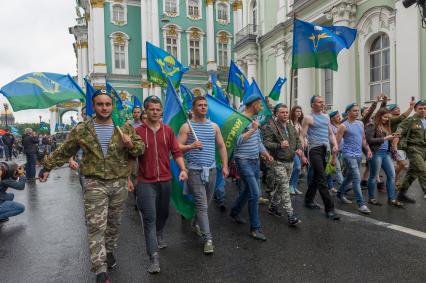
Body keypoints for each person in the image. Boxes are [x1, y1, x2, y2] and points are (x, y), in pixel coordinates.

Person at [39, 89, 144, 283]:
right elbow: (65, 150)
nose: (104, 108)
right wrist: (47, 166)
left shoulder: (124, 127)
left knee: (113, 224)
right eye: (100, 104)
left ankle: (109, 250)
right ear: (93, 106)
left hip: (119, 182)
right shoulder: (82, 129)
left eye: (107, 104)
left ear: (112, 106)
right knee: (96, 226)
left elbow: (140, 148)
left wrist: (131, 145)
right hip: (94, 183)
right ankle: (100, 269)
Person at [135, 96, 187, 274]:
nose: (155, 112)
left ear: (161, 112)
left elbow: (176, 151)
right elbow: (130, 157)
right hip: (145, 182)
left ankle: (159, 232)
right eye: (151, 109)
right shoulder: (138, 132)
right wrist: (128, 178)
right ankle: (154, 258)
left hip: (165, 179)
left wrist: (182, 168)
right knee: (149, 219)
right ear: (146, 111)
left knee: (163, 214)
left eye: (158, 109)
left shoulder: (168, 131)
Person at [178, 96, 229, 254]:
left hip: (212, 170)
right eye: (199, 105)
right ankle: (208, 239)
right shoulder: (186, 127)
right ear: (193, 109)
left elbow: (221, 146)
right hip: (194, 171)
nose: (203, 107)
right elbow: (177, 148)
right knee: (201, 204)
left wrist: (225, 166)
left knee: (205, 204)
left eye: (205, 105)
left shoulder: (214, 126)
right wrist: (191, 146)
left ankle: (195, 223)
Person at [229, 91, 273, 241]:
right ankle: (255, 228)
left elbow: (257, 141)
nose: (262, 106)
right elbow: (237, 142)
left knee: (248, 191)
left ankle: (235, 211)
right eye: (260, 104)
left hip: (255, 160)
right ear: (254, 104)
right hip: (243, 160)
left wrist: (266, 154)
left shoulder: (254, 119)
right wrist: (253, 129)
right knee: (256, 192)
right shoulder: (239, 119)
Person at [301, 95, 339, 220]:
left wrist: (335, 144)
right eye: (319, 102)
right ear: (312, 104)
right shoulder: (308, 118)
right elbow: (302, 135)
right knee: (322, 177)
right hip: (314, 150)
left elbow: (330, 133)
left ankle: (308, 200)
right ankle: (330, 209)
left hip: (325, 149)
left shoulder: (326, 117)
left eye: (323, 102)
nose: (322, 104)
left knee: (318, 177)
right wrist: (304, 143)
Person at [263, 104, 302, 225]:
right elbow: (266, 143)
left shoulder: (290, 126)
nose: (285, 114)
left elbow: (297, 141)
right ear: (276, 114)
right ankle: (290, 215)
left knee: (281, 188)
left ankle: (273, 206)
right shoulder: (271, 127)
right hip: (277, 162)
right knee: (285, 187)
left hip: (290, 161)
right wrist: (279, 145)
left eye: (286, 112)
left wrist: (299, 149)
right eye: (282, 112)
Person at [335, 103, 372, 214]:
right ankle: (361, 204)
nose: (357, 112)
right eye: (354, 111)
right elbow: (336, 143)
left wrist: (368, 150)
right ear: (348, 112)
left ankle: (339, 193)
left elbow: (364, 139)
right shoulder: (343, 126)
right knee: (357, 178)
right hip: (348, 155)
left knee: (349, 178)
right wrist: (333, 157)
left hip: (359, 155)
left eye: (357, 110)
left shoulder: (360, 124)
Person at [365, 108, 403, 207]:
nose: (387, 119)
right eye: (385, 117)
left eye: (388, 117)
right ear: (379, 116)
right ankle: (371, 198)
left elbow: (387, 139)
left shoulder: (386, 126)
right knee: (373, 176)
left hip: (386, 154)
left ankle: (392, 199)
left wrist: (393, 136)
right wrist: (385, 138)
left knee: (392, 175)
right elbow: (369, 140)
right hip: (376, 153)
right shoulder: (371, 125)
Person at [395, 99, 426, 203]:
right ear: (416, 109)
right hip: (413, 148)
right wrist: (395, 144)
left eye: (425, 108)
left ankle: (401, 194)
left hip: (424, 149)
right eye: (420, 108)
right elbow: (399, 128)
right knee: (422, 169)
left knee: (413, 172)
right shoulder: (411, 120)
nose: (423, 110)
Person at [387, 100, 416, 186]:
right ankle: (392, 178)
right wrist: (411, 107)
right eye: (395, 108)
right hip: (395, 144)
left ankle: (396, 181)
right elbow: (401, 118)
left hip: (403, 144)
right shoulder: (390, 119)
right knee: (403, 163)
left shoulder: (401, 119)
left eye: (398, 108)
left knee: (400, 164)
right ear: (390, 111)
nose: (398, 109)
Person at [289, 105, 305, 195]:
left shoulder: (300, 123)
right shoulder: (289, 122)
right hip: (292, 149)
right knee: (297, 167)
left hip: (299, 149)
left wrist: (303, 144)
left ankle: (294, 186)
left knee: (298, 169)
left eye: (300, 111)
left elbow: (301, 136)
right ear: (293, 112)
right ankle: (290, 186)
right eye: (297, 111)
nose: (299, 113)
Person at [327, 110, 344, 193]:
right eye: (337, 117)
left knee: (330, 170)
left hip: (342, 151)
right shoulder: (330, 127)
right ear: (332, 119)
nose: (339, 117)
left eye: (339, 116)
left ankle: (330, 186)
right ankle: (343, 186)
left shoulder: (340, 125)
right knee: (338, 169)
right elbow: (331, 139)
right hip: (333, 152)